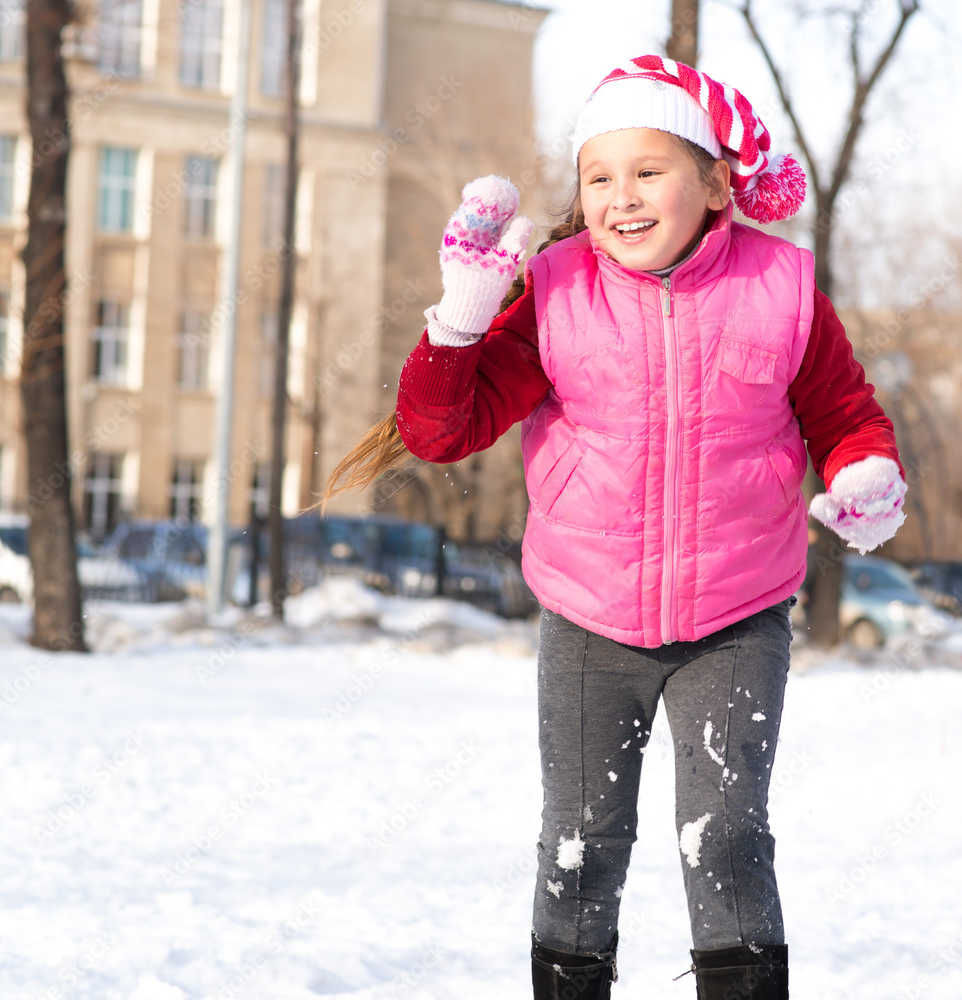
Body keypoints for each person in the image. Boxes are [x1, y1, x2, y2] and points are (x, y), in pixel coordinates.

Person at [325, 55, 906, 1000]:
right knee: (580, 842)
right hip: (589, 618)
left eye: (648, 172)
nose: (620, 198)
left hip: (737, 613)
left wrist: (867, 474)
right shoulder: (555, 293)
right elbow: (441, 433)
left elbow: (845, 414)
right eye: (599, 177)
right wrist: (465, 316)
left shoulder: (783, 288)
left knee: (725, 835)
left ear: (717, 184)